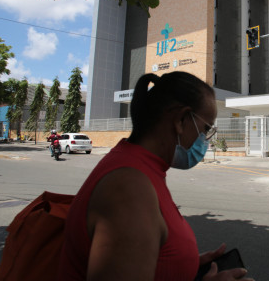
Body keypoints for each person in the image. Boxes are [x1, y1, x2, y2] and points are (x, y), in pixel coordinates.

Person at [57, 72, 252, 281]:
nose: (205, 140)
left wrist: (183, 265)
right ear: (181, 119)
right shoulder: (128, 189)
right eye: (205, 129)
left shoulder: (142, 169)